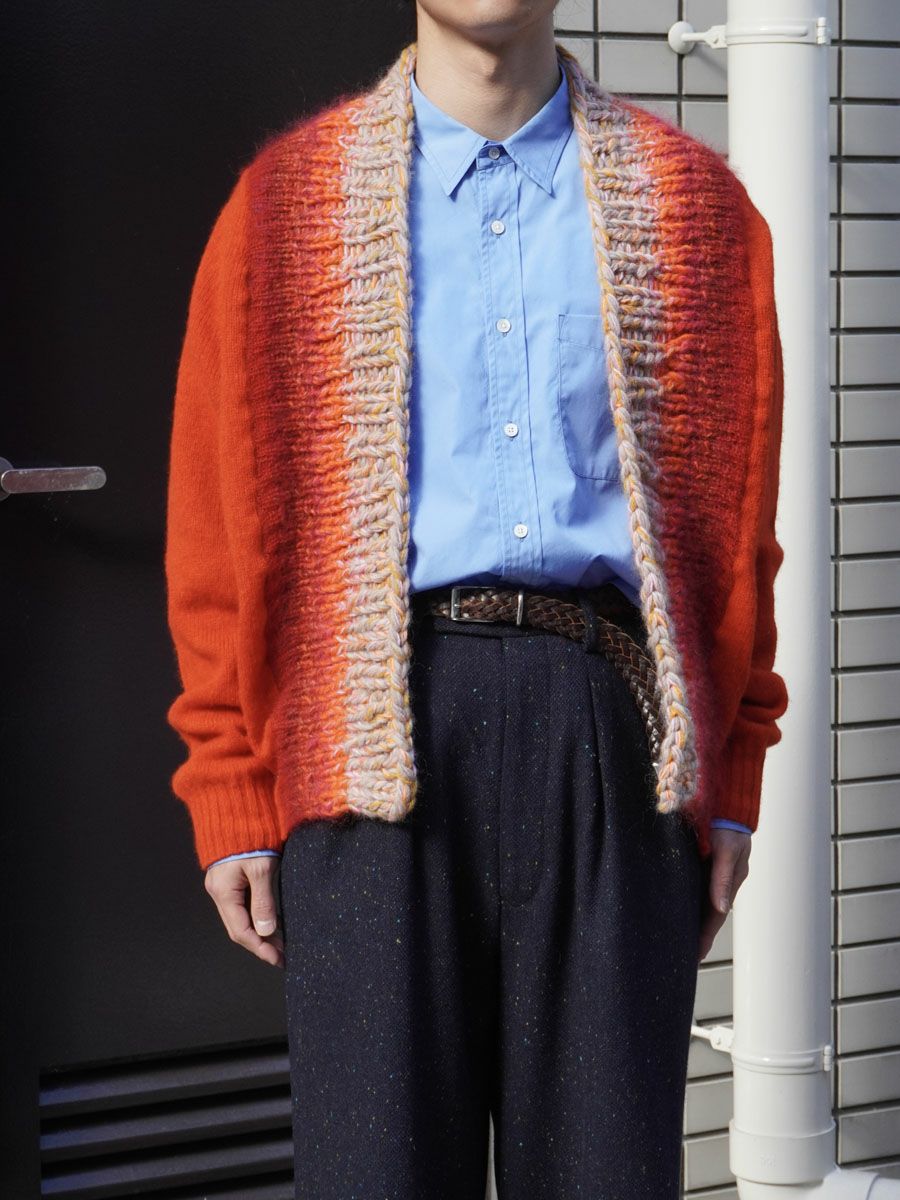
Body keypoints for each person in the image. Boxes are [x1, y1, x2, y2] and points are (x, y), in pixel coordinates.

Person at [164, 2, 788, 1195]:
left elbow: (735, 534)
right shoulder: (282, 209)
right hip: (367, 741)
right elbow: (214, 530)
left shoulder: (698, 212)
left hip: (609, 738)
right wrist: (229, 783)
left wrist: (733, 779)